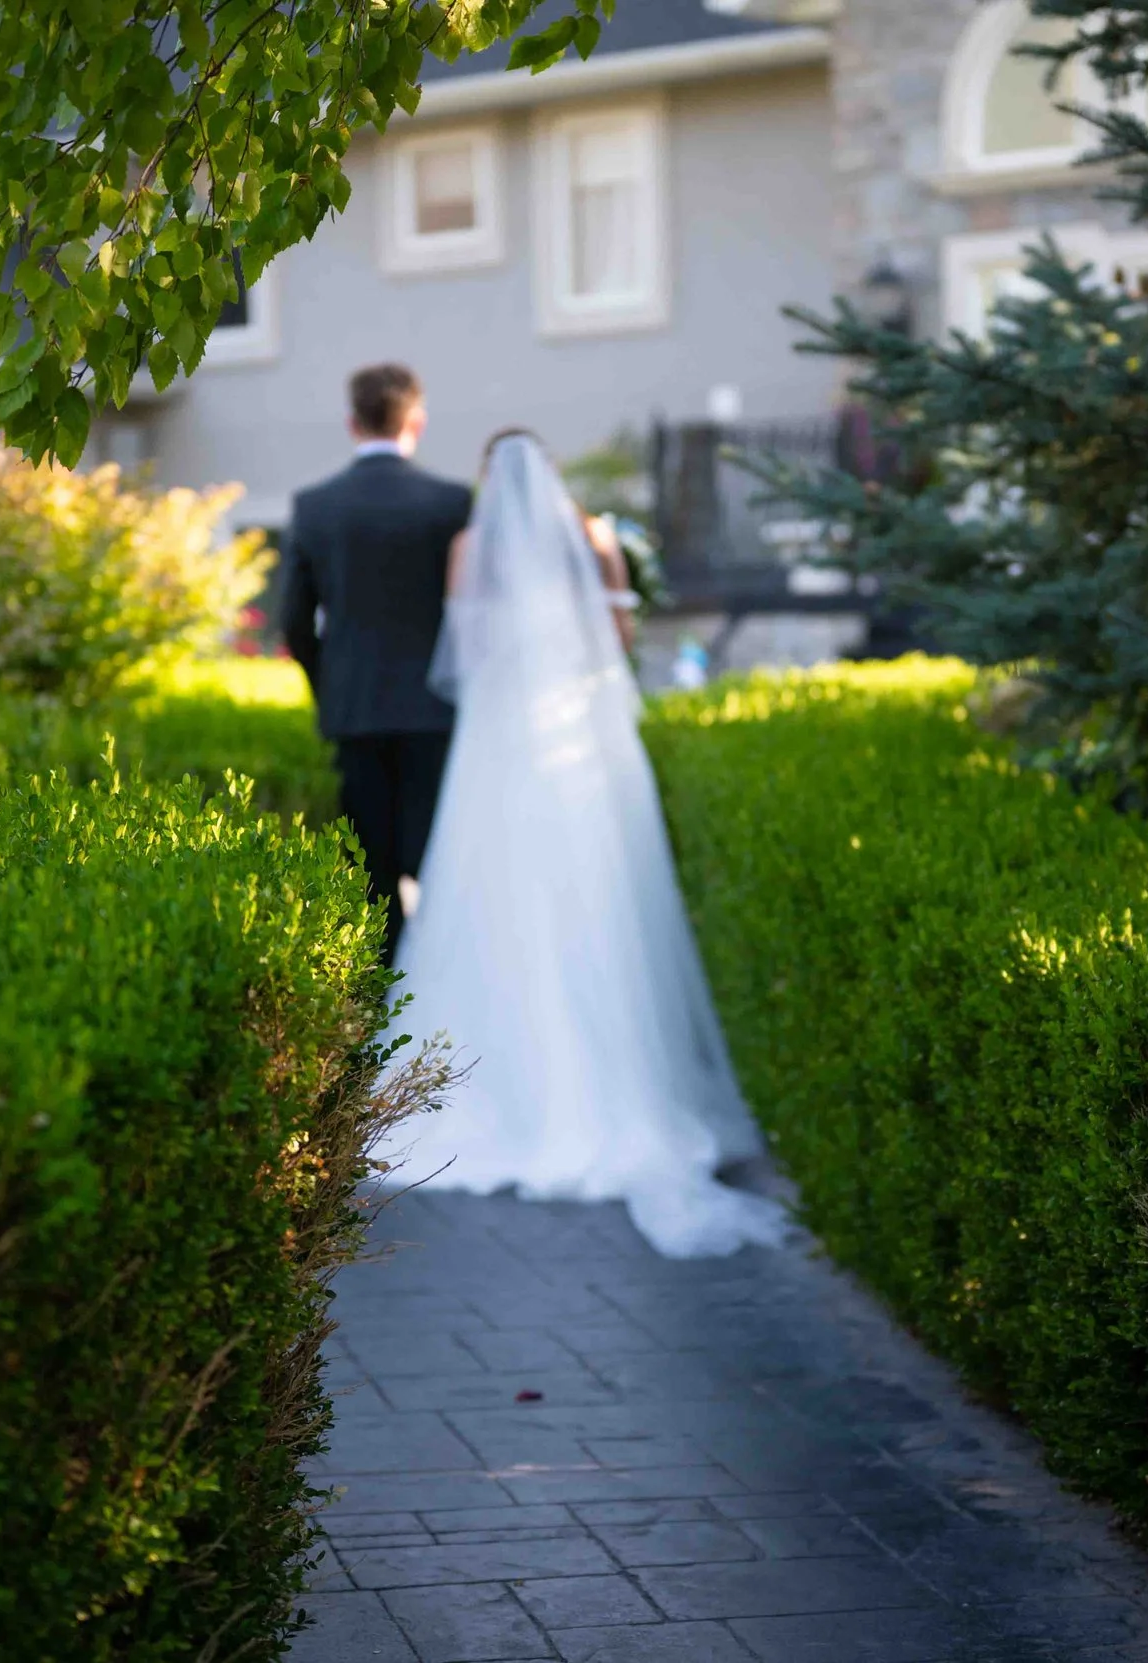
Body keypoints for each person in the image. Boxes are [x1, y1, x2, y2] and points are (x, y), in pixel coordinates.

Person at [384, 430, 787, 1259]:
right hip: (580, 739)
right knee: (599, 892)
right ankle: (620, 1088)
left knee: (493, 896)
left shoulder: (467, 546)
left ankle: (502, 1090)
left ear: (488, 478)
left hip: (499, 740)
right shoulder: (596, 537)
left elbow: (466, 653)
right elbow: (620, 642)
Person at [278, 364, 473, 957]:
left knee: (370, 869)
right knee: (438, 858)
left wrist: (329, 686)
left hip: (354, 708)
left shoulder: (315, 506)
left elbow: (293, 620)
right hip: (437, 709)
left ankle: (387, 990)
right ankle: (446, 974)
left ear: (352, 423)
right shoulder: (453, 502)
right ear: (417, 421)